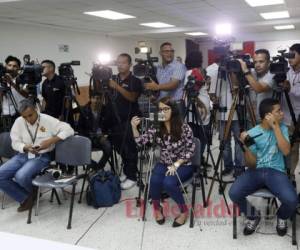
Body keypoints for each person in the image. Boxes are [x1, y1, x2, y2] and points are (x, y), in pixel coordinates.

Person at [229, 98, 298, 236]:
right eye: (278, 111)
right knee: (234, 193)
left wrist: (276, 127)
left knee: (292, 200)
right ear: (268, 115)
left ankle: (282, 217)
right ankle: (253, 216)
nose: (282, 114)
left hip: (276, 171)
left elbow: (286, 151)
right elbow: (251, 164)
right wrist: (246, 146)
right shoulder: (253, 133)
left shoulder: (282, 128)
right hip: (257, 170)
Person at [131, 96, 195, 227]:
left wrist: (177, 164)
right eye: (160, 110)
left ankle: (184, 211)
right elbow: (141, 141)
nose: (162, 112)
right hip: (164, 162)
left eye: (166, 109)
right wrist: (134, 127)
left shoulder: (184, 127)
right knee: (153, 180)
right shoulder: (157, 125)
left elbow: (191, 151)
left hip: (183, 164)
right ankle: (157, 208)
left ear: (173, 110)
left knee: (168, 183)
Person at [0, 99, 74, 212]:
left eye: (30, 115)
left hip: (41, 157)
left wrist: (51, 141)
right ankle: (26, 197)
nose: (28, 119)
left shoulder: (47, 120)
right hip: (23, 155)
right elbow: (14, 142)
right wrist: (25, 147)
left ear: (36, 109)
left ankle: (32, 193)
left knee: (21, 176)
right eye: (25, 117)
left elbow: (69, 129)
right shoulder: (19, 121)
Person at [102, 53, 142, 190]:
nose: (120, 65)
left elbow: (132, 98)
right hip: (114, 119)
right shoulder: (113, 78)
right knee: (120, 148)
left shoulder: (135, 80)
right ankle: (127, 171)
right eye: (118, 63)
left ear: (129, 64)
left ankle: (132, 177)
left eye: (123, 62)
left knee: (130, 149)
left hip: (130, 120)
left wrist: (117, 87)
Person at [207, 54, 245, 177]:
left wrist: (233, 73)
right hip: (222, 114)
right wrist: (214, 98)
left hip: (238, 113)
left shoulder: (239, 74)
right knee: (224, 142)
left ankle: (239, 167)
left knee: (240, 142)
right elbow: (212, 93)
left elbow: (238, 90)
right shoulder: (217, 75)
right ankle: (228, 166)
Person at [184, 51, 211, 160]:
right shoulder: (200, 71)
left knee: (193, 135)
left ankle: (194, 160)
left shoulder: (188, 72)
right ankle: (199, 159)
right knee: (202, 135)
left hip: (192, 106)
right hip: (201, 106)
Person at [77, 93, 112, 170]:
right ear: (90, 99)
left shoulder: (105, 110)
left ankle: (99, 167)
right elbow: (79, 128)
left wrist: (106, 135)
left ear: (101, 100)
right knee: (78, 149)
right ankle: (94, 166)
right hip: (88, 137)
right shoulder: (84, 110)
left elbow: (110, 125)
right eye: (94, 98)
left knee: (108, 147)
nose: (96, 100)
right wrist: (85, 138)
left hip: (101, 137)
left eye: (98, 98)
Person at [238, 49, 275, 120]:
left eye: (261, 62)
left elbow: (259, 89)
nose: (257, 65)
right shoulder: (252, 72)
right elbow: (235, 85)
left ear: (269, 62)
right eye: (255, 62)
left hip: (267, 119)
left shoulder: (272, 75)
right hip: (250, 118)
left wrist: (246, 71)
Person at [281, 43, 300, 179]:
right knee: (291, 149)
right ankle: (290, 175)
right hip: (287, 117)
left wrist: (289, 89)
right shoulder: (285, 72)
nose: (289, 58)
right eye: (288, 54)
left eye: (293, 54)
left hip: (299, 116)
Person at [0, 55, 27, 131]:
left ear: (18, 68)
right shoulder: (2, 80)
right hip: (5, 115)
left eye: (15, 66)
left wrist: (11, 82)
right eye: (9, 65)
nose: (12, 68)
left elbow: (26, 94)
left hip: (20, 114)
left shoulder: (22, 79)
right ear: (6, 66)